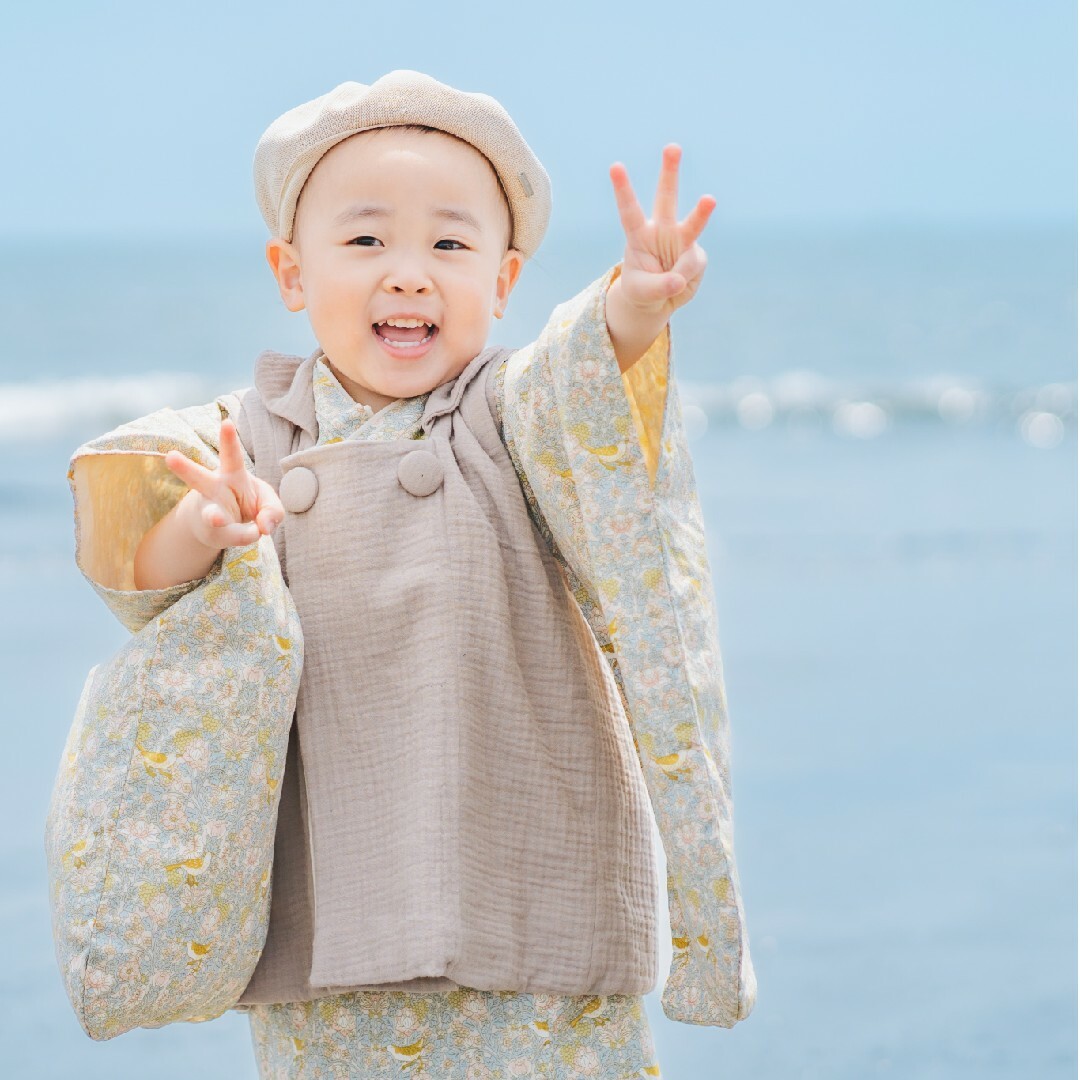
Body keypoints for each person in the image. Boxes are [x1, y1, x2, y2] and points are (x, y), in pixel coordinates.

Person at [56, 70, 755, 1078]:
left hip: (525, 893)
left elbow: (583, 383)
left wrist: (632, 306)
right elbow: (127, 526)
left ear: (505, 282)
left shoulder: (506, 416)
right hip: (332, 907)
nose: (410, 273)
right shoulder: (247, 434)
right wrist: (204, 526)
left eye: (451, 244)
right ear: (292, 273)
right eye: (368, 240)